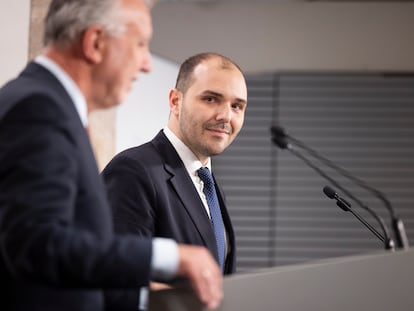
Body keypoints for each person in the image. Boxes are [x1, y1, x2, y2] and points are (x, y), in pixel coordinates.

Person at [0, 1, 222, 311]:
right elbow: (38, 246)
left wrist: (153, 300)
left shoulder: (48, 105)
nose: (147, 64)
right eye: (140, 44)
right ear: (95, 43)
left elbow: (68, 270)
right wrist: (170, 256)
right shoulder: (39, 108)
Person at [102, 53, 248, 295]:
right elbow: (115, 277)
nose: (226, 116)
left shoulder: (210, 186)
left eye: (236, 106)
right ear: (175, 101)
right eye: (211, 99)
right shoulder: (134, 170)